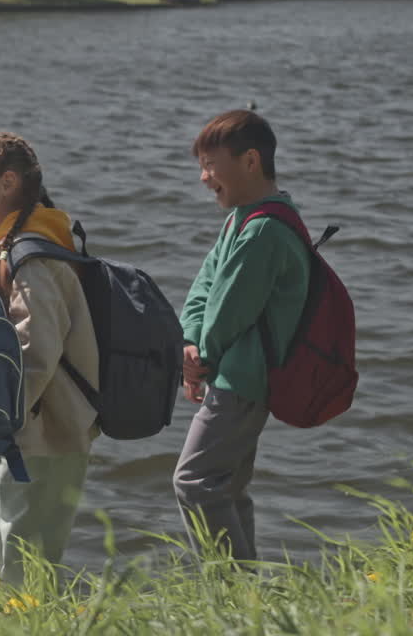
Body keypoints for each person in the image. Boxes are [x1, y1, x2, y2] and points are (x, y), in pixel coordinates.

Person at [0, 131, 99, 584]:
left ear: (8, 182)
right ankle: (6, 616)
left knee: (25, 561)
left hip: (46, 432)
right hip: (15, 429)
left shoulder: (31, 256)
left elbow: (37, 350)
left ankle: (28, 618)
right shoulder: (9, 248)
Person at [174, 109, 309, 562]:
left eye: (211, 166)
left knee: (194, 481)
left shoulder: (265, 230)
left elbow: (231, 311)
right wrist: (189, 340)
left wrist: (199, 358)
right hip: (230, 370)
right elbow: (203, 288)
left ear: (251, 161)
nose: (203, 177)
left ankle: (230, 590)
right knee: (226, 485)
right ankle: (247, 601)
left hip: (244, 378)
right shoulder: (240, 220)